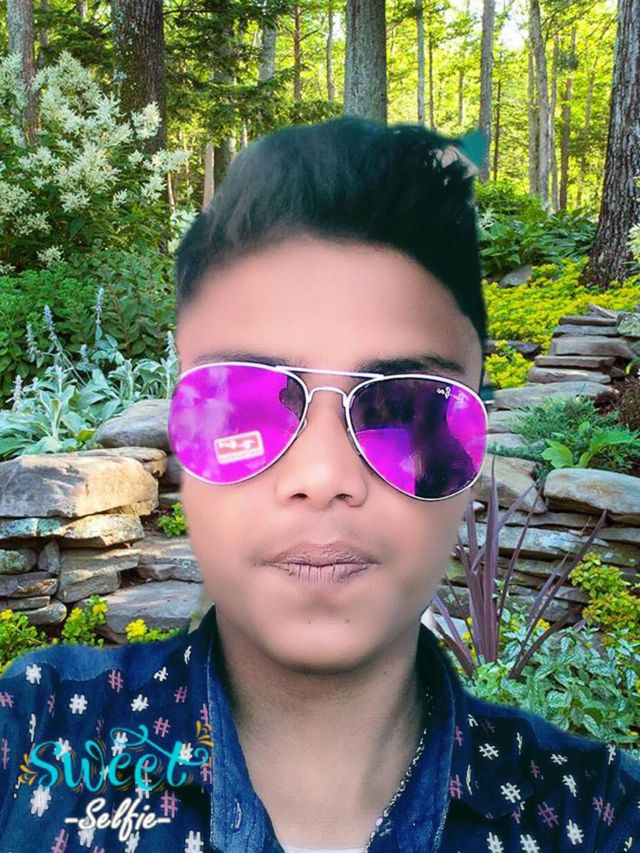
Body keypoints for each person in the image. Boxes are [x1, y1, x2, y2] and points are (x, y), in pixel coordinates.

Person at [1, 115, 639, 853]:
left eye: (407, 408)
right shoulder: (36, 737)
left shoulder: (595, 812)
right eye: (247, 401)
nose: (324, 476)